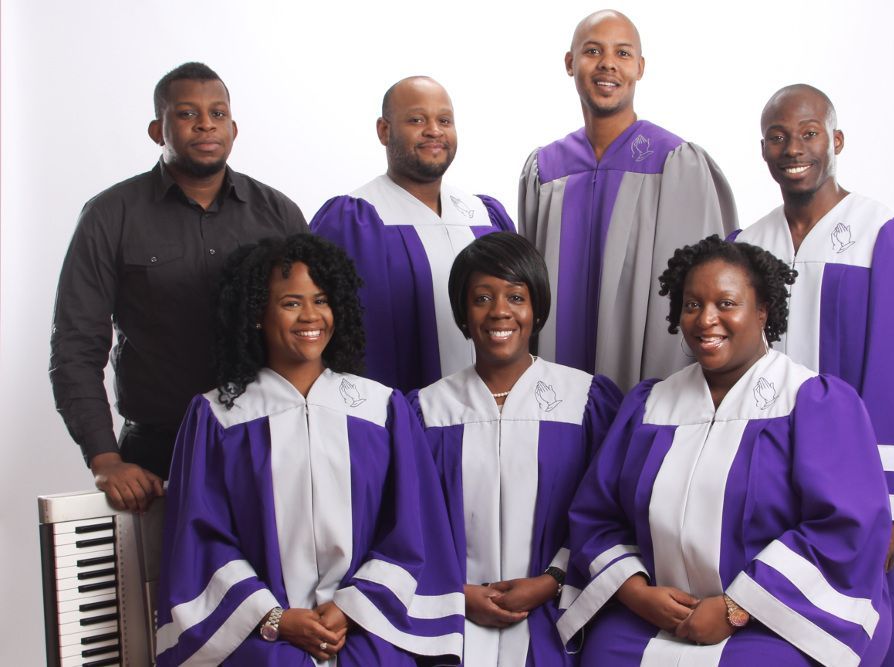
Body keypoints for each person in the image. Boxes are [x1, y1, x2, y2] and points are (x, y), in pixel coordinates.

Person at [558, 235, 892, 667]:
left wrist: (735, 608)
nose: (705, 319)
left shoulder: (811, 401)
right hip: (655, 614)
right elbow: (597, 515)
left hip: (777, 619)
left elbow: (845, 528)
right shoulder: (650, 405)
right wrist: (637, 593)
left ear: (762, 310)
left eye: (726, 303)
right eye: (692, 305)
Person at [732, 84, 894, 667]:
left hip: (861, 490)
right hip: (766, 483)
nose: (794, 148)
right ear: (762, 150)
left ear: (835, 140)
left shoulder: (886, 236)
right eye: (778, 137)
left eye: (809, 133)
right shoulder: (745, 246)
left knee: (874, 628)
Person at [155, 234, 464, 666]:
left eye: (321, 300)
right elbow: (200, 540)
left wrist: (350, 607)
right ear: (257, 314)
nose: (310, 316)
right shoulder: (219, 417)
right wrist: (275, 618)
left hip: (365, 624)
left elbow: (413, 527)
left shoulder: (380, 409)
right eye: (291, 303)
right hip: (259, 634)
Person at [49, 62, 307, 512]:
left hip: (268, 444)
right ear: (158, 130)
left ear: (233, 128)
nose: (206, 124)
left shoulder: (278, 213)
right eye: (187, 114)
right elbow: (75, 344)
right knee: (160, 562)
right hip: (157, 456)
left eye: (218, 113)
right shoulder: (110, 215)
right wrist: (105, 458)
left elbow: (310, 325)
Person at [410, 232, 622, 666]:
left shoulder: (585, 401)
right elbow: (409, 525)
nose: (499, 311)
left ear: (536, 309)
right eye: (482, 298)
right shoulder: (426, 411)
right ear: (463, 314)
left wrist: (552, 580)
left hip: (559, 608)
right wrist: (458, 594)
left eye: (516, 297)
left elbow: (610, 513)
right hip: (451, 613)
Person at [519, 10, 738, 391]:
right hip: (555, 389)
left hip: (649, 387)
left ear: (640, 67)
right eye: (593, 51)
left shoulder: (674, 163)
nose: (608, 64)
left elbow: (701, 292)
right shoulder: (546, 169)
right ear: (570, 63)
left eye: (622, 53)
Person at [311, 75, 515, 394]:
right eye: (417, 119)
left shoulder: (486, 217)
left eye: (444, 120)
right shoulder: (352, 222)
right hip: (392, 413)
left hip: (490, 412)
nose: (434, 130)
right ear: (384, 130)